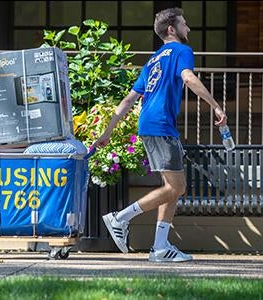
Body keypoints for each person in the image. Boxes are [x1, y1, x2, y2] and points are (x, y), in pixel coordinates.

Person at [91, 7, 227, 262]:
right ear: (172, 29)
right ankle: (120, 218)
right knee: (179, 186)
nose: (189, 29)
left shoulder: (153, 59)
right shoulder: (181, 51)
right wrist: (215, 105)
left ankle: (161, 248)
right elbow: (187, 78)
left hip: (151, 124)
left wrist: (107, 132)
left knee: (171, 188)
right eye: (184, 24)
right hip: (161, 125)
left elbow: (129, 99)